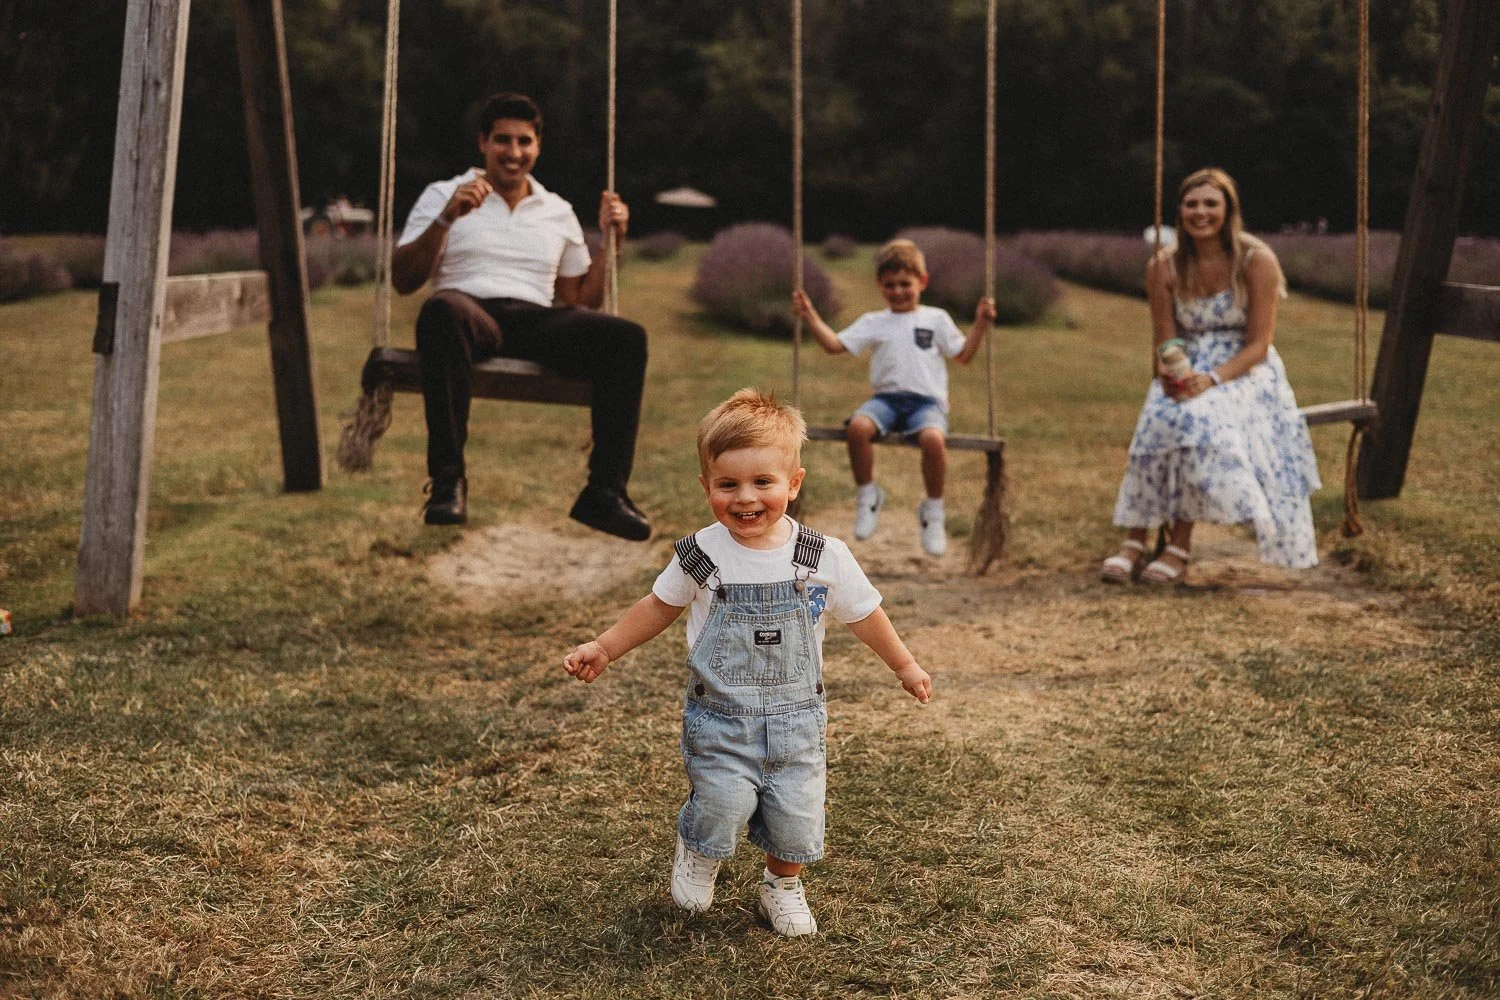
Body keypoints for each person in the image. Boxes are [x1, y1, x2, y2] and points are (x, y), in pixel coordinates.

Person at [562, 388, 932, 937]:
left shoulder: (821, 555)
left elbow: (865, 614)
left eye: (764, 482)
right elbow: (658, 607)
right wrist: (606, 646)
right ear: (706, 486)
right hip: (721, 716)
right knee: (722, 799)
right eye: (727, 485)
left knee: (798, 812)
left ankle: (781, 885)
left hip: (798, 719)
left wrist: (903, 664)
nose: (746, 498)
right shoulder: (703, 553)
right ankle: (701, 850)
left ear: (794, 483)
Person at [392, 92, 650, 539]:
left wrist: (613, 242)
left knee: (627, 338)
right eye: (503, 141)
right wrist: (446, 218)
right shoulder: (444, 194)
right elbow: (403, 278)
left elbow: (581, 300)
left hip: (535, 318)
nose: (514, 153)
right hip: (468, 313)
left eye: (524, 142)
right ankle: (448, 483)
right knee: (441, 309)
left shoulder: (557, 211)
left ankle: (605, 493)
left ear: (538, 147)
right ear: (483, 143)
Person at [1101, 168, 1322, 585]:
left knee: (1196, 420)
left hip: (1244, 369)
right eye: (1191, 204)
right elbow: (1166, 338)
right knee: (1157, 417)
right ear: (1180, 211)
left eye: (1210, 204)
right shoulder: (1164, 266)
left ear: (1228, 210)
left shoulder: (1256, 260)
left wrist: (1213, 379)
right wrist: (1171, 375)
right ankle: (1134, 539)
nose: (1200, 213)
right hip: (1188, 361)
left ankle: (1179, 544)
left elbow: (1259, 343)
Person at [791, 239, 996, 557]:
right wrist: (809, 314)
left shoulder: (936, 319)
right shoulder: (876, 322)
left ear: (922, 282)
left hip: (927, 403)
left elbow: (964, 355)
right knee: (857, 428)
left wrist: (981, 323)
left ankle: (933, 512)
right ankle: (868, 496)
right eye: (890, 285)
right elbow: (833, 345)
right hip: (886, 400)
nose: (898, 291)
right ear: (880, 286)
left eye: (905, 284)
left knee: (933, 439)